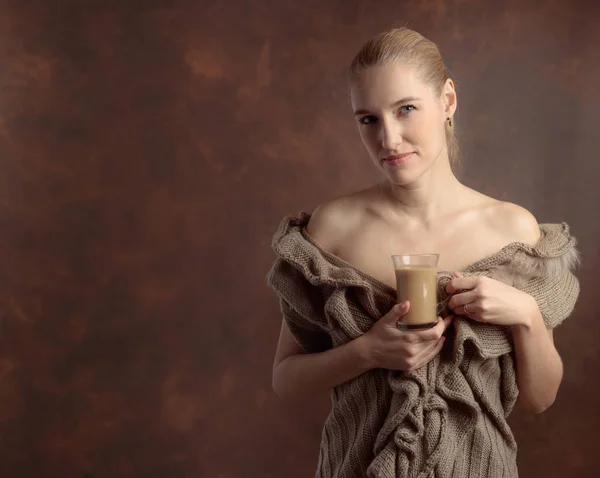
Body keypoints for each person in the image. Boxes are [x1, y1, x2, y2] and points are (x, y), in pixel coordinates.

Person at [267, 27, 580, 477]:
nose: (389, 139)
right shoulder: (333, 228)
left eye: (406, 109)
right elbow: (286, 381)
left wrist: (527, 314)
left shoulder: (511, 230)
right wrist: (369, 352)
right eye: (368, 119)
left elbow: (539, 398)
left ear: (447, 100)